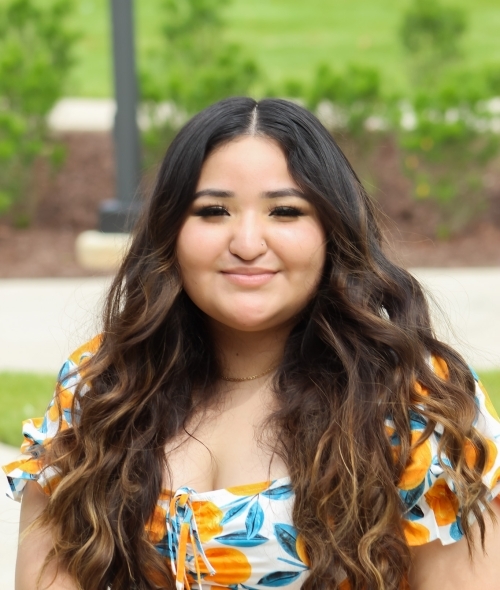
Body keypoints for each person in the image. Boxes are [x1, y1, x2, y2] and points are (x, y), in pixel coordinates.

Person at [3, 97, 500, 590]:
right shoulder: (100, 389)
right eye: (213, 210)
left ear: (333, 231)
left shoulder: (413, 402)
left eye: (284, 211)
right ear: (170, 231)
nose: (246, 243)